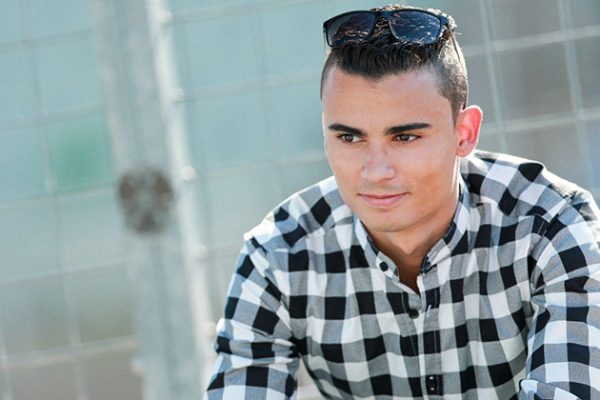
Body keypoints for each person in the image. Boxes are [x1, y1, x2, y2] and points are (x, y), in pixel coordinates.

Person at [205, 4, 600, 399]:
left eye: (405, 137)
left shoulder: (551, 226)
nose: (376, 171)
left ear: (464, 133)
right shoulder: (279, 254)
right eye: (349, 137)